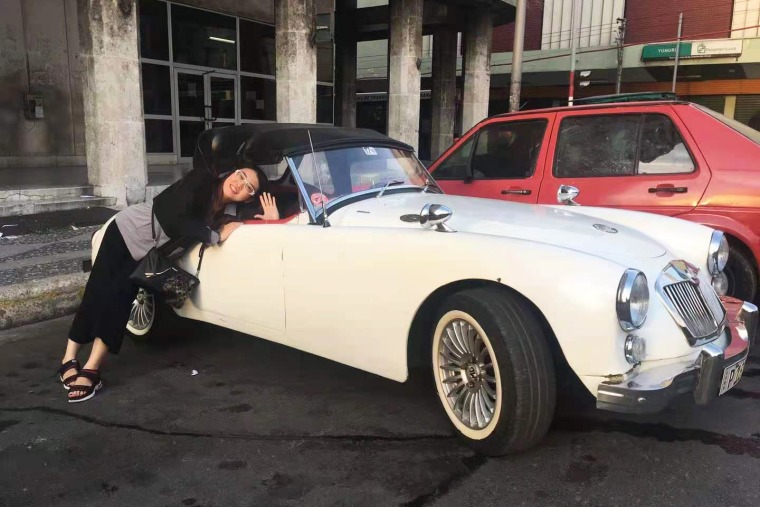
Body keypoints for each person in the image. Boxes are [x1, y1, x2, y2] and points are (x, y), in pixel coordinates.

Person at [57, 167, 280, 403]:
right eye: (241, 175)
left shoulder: (229, 211)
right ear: (232, 173)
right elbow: (174, 219)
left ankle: (92, 368)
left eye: (249, 187)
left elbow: (242, 229)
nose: (240, 184)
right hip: (126, 231)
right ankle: (68, 359)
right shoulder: (201, 179)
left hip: (148, 255)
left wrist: (271, 220)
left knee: (118, 303)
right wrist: (213, 235)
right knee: (97, 293)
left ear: (249, 197)